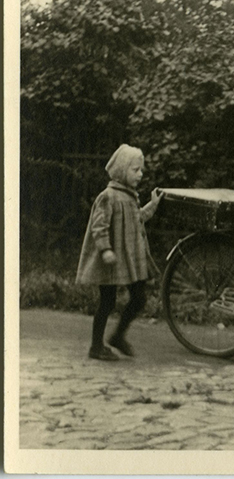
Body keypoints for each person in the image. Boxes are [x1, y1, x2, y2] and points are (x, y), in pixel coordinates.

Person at [76, 144, 163, 361]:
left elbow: (137, 219)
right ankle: (96, 346)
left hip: (128, 259)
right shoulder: (108, 196)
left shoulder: (130, 195)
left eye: (141, 170)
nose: (140, 175)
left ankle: (118, 336)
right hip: (111, 258)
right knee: (107, 302)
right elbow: (99, 226)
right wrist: (105, 249)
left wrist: (152, 205)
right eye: (135, 170)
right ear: (122, 170)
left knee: (139, 297)